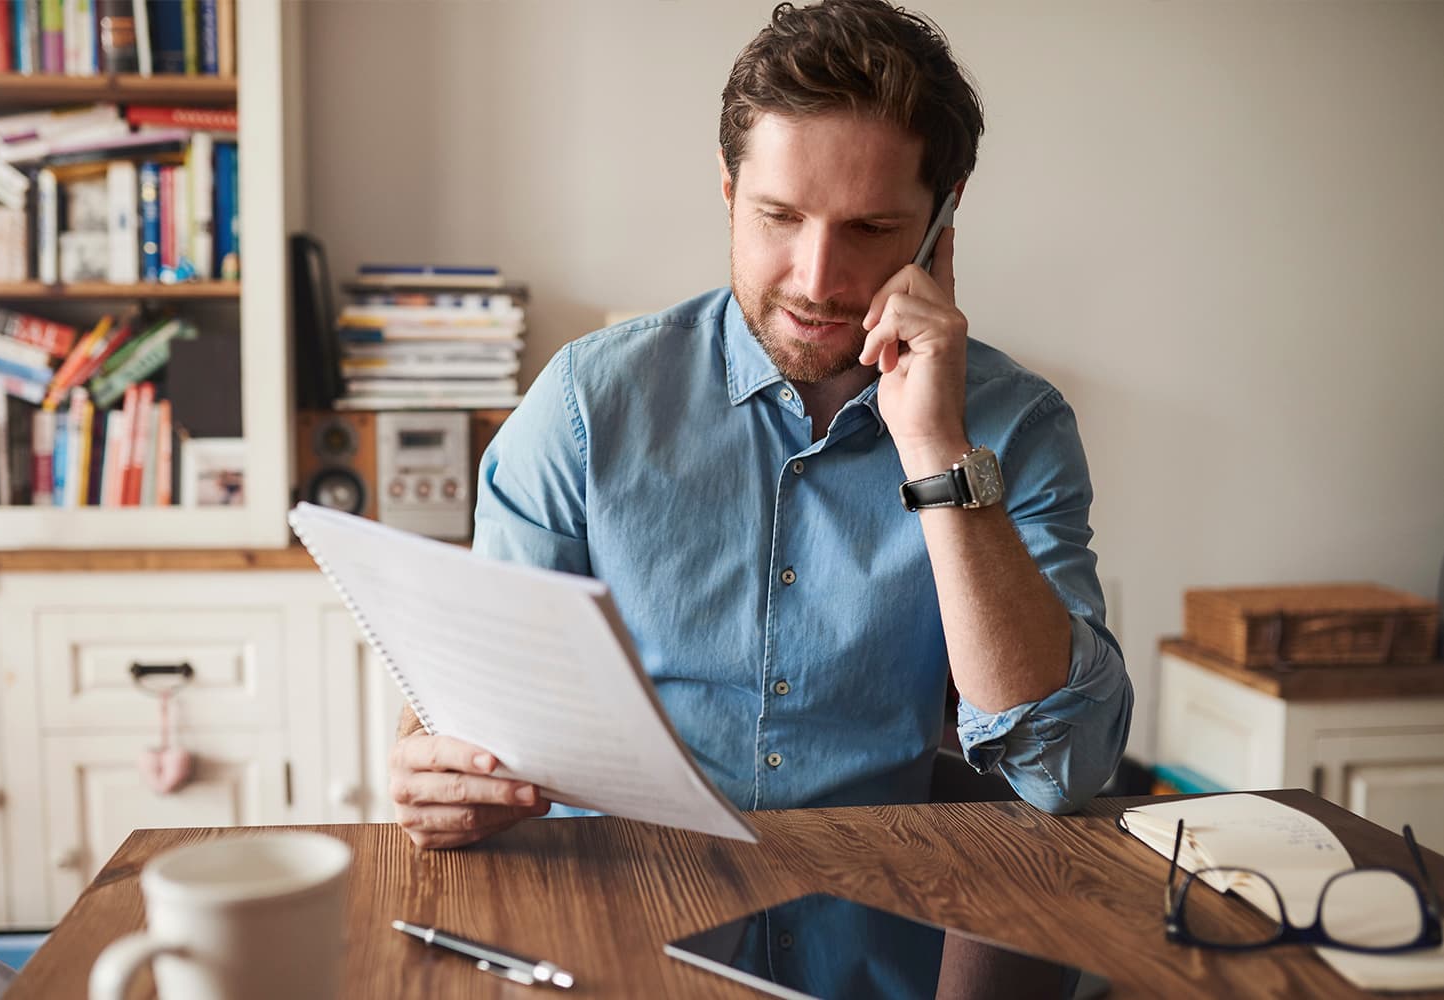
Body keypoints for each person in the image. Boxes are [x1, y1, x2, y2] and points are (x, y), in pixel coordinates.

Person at [388, 0, 1133, 850]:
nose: (816, 280)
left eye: (870, 228)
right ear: (728, 188)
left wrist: (936, 451)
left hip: (874, 906)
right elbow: (476, 695)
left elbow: (1062, 769)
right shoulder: (584, 403)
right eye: (779, 217)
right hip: (621, 898)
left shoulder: (1016, 424)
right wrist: (433, 762)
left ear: (941, 218)